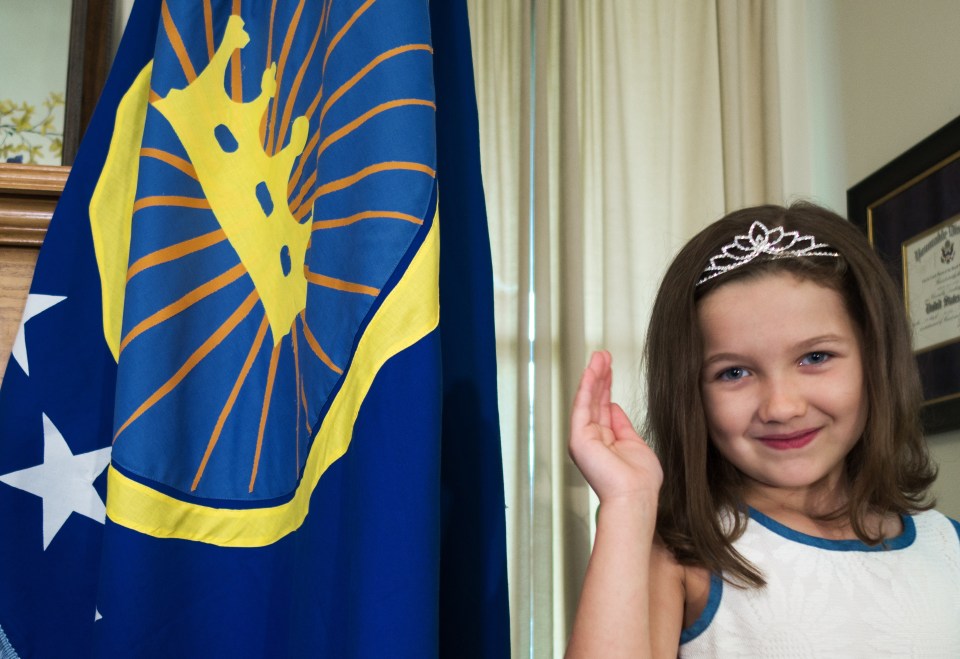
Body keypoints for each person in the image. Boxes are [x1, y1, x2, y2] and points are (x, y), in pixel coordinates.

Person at [565, 202, 960, 657]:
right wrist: (629, 504)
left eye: (815, 358)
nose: (781, 407)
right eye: (734, 373)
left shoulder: (945, 545)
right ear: (691, 393)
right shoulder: (680, 554)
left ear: (876, 361)